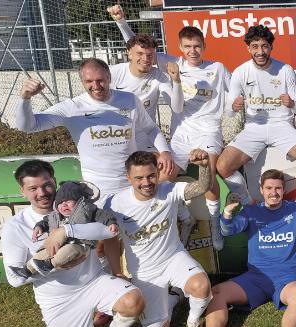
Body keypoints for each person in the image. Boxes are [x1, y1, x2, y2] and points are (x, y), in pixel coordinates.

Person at [109, 4, 231, 250]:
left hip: (208, 130)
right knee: (164, 179)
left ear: (204, 46)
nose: (192, 50)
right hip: (180, 134)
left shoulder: (216, 68)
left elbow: (235, 90)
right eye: (187, 46)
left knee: (210, 172)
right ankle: (183, 218)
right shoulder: (171, 63)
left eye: (197, 46)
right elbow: (139, 48)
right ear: (180, 48)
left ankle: (215, 222)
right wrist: (121, 22)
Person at [1, 160, 144, 327]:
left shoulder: (77, 206)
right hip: (59, 300)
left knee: (133, 301)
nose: (42, 193)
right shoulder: (16, 226)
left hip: (94, 282)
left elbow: (110, 231)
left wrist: (66, 231)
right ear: (23, 191)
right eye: (33, 189)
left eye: (46, 185)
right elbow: (15, 279)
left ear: (54, 181)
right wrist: (55, 266)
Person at [15, 58, 174, 200]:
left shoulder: (129, 99)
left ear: (109, 77)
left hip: (133, 184)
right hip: (98, 191)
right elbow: (28, 126)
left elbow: (150, 128)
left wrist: (164, 152)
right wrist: (25, 98)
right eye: (89, 81)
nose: (96, 86)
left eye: (100, 80)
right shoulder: (72, 108)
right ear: (82, 81)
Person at [104, 149, 214, 327]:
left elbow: (202, 187)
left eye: (151, 176)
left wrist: (204, 166)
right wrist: (117, 272)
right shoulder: (115, 204)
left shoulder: (169, 189)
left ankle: (193, 320)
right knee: (161, 323)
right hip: (145, 273)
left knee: (201, 286)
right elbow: (109, 240)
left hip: (174, 258)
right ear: (128, 177)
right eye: (139, 178)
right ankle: (172, 300)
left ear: (157, 172)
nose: (146, 182)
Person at [204, 169, 296, 327]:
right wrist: (227, 213)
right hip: (257, 277)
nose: (274, 193)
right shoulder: (252, 211)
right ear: (261, 190)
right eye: (269, 188)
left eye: (278, 188)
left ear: (283, 190)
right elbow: (228, 230)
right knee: (216, 293)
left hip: (288, 276)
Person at [218, 25, 296, 206]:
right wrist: (234, 108)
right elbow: (228, 110)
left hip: (282, 125)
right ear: (248, 48)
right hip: (253, 127)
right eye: (255, 46)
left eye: (264, 46)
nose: (260, 51)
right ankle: (247, 202)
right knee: (223, 166)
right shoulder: (240, 72)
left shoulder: (285, 69)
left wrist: (292, 104)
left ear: (271, 47)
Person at [13, 181, 118, 277]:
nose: (64, 204)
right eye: (60, 202)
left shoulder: (88, 210)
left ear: (79, 202)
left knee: (68, 250)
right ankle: (26, 270)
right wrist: (39, 227)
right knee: (43, 253)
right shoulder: (55, 215)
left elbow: (103, 215)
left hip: (80, 245)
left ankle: (49, 265)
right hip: (58, 245)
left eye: (69, 201)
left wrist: (111, 222)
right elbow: (45, 221)